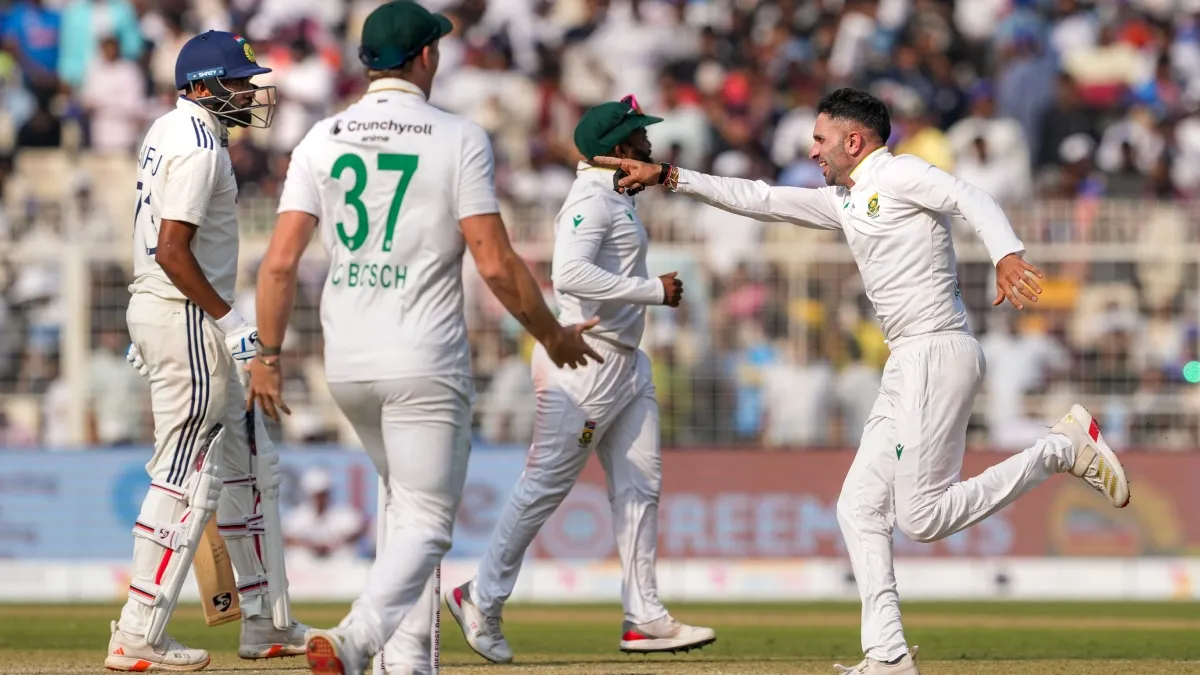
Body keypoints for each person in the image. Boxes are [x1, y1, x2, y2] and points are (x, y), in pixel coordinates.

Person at [593, 88, 1131, 675]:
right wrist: (671, 176)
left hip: (936, 351)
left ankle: (1060, 450)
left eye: (820, 139)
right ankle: (887, 654)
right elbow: (760, 198)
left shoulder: (898, 174)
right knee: (857, 508)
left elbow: (970, 196)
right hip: (907, 361)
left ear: (854, 141)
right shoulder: (846, 200)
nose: (812, 150)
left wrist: (1006, 254)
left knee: (922, 519)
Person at [243, 3, 602, 674]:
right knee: (430, 522)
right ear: (427, 57)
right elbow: (494, 261)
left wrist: (267, 355)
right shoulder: (458, 136)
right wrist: (551, 334)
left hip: (348, 363)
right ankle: (355, 640)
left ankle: (407, 662)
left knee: (401, 506)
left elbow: (280, 263)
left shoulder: (321, 137)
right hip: (423, 359)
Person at [443, 95, 716, 664]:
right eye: (639, 138)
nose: (648, 145)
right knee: (545, 485)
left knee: (641, 485)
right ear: (615, 149)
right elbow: (568, 274)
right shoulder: (590, 200)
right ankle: (480, 596)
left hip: (628, 362)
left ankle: (644, 616)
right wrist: (652, 290)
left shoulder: (616, 197)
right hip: (586, 363)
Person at [109, 30, 310, 672]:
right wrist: (230, 321)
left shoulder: (169, 128)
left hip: (171, 312)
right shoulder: (199, 143)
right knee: (187, 475)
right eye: (237, 80)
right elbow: (172, 250)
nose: (249, 91)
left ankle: (265, 621)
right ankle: (137, 632)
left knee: (250, 465)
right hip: (190, 315)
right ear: (201, 85)